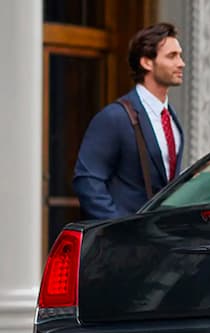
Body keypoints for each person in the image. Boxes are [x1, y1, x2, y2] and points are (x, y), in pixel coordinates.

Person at [73, 22, 186, 220]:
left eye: (180, 55)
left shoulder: (172, 121)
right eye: (172, 56)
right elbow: (88, 180)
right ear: (147, 63)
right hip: (125, 241)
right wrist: (116, 228)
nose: (181, 63)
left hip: (160, 239)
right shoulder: (115, 117)